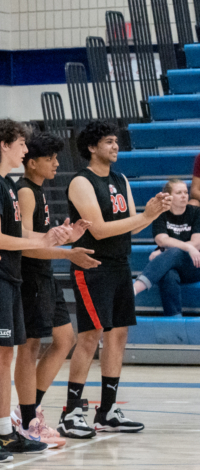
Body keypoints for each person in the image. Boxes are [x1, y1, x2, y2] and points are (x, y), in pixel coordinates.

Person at [0, 119, 74, 460]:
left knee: (5, 355)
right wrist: (44, 240)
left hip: (11, 277)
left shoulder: (5, 184)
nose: (26, 149)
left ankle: (4, 431)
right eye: (21, 144)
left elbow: (21, 235)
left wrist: (52, 238)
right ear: (3, 145)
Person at [59, 121, 170, 438]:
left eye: (116, 141)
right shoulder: (82, 182)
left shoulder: (120, 179)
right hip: (92, 265)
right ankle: (71, 412)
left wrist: (148, 216)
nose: (115, 146)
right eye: (109, 142)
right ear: (92, 147)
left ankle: (106, 410)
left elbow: (130, 226)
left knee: (118, 335)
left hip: (120, 264)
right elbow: (100, 229)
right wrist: (147, 216)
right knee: (90, 336)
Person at [12, 132, 99, 447]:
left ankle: (29, 409)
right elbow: (23, 243)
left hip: (44, 274)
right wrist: (64, 250)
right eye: (50, 158)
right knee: (30, 346)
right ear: (32, 162)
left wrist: (62, 234)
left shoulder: (39, 189)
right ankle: (25, 417)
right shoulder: (24, 191)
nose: (56, 163)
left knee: (65, 340)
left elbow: (40, 238)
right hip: (30, 276)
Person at [132, 178, 200, 315]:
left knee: (174, 251)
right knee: (168, 275)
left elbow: (197, 243)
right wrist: (186, 247)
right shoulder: (161, 214)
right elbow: (161, 240)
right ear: (169, 196)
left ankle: (134, 289)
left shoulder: (196, 212)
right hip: (172, 266)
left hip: (195, 265)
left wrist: (166, 251)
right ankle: (175, 319)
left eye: (186, 192)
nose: (184, 196)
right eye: (179, 192)